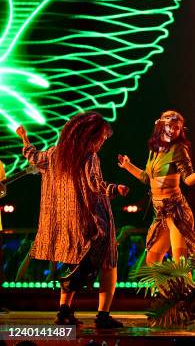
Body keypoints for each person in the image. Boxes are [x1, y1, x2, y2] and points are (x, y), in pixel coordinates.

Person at [16, 112, 129, 328]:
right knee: (109, 263)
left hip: (68, 223)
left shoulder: (54, 154)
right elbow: (96, 184)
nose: (102, 142)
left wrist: (24, 137)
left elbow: (32, 155)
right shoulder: (88, 157)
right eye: (102, 138)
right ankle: (103, 316)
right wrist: (116, 188)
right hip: (94, 222)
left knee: (71, 264)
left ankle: (64, 312)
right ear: (90, 135)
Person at [118, 110, 195, 264]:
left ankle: (185, 288)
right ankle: (163, 289)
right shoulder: (154, 149)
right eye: (170, 126)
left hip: (176, 211)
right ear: (161, 126)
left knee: (180, 262)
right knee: (152, 260)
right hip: (160, 212)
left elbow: (189, 180)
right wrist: (127, 165)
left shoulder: (179, 149)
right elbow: (146, 178)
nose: (173, 130)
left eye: (177, 127)